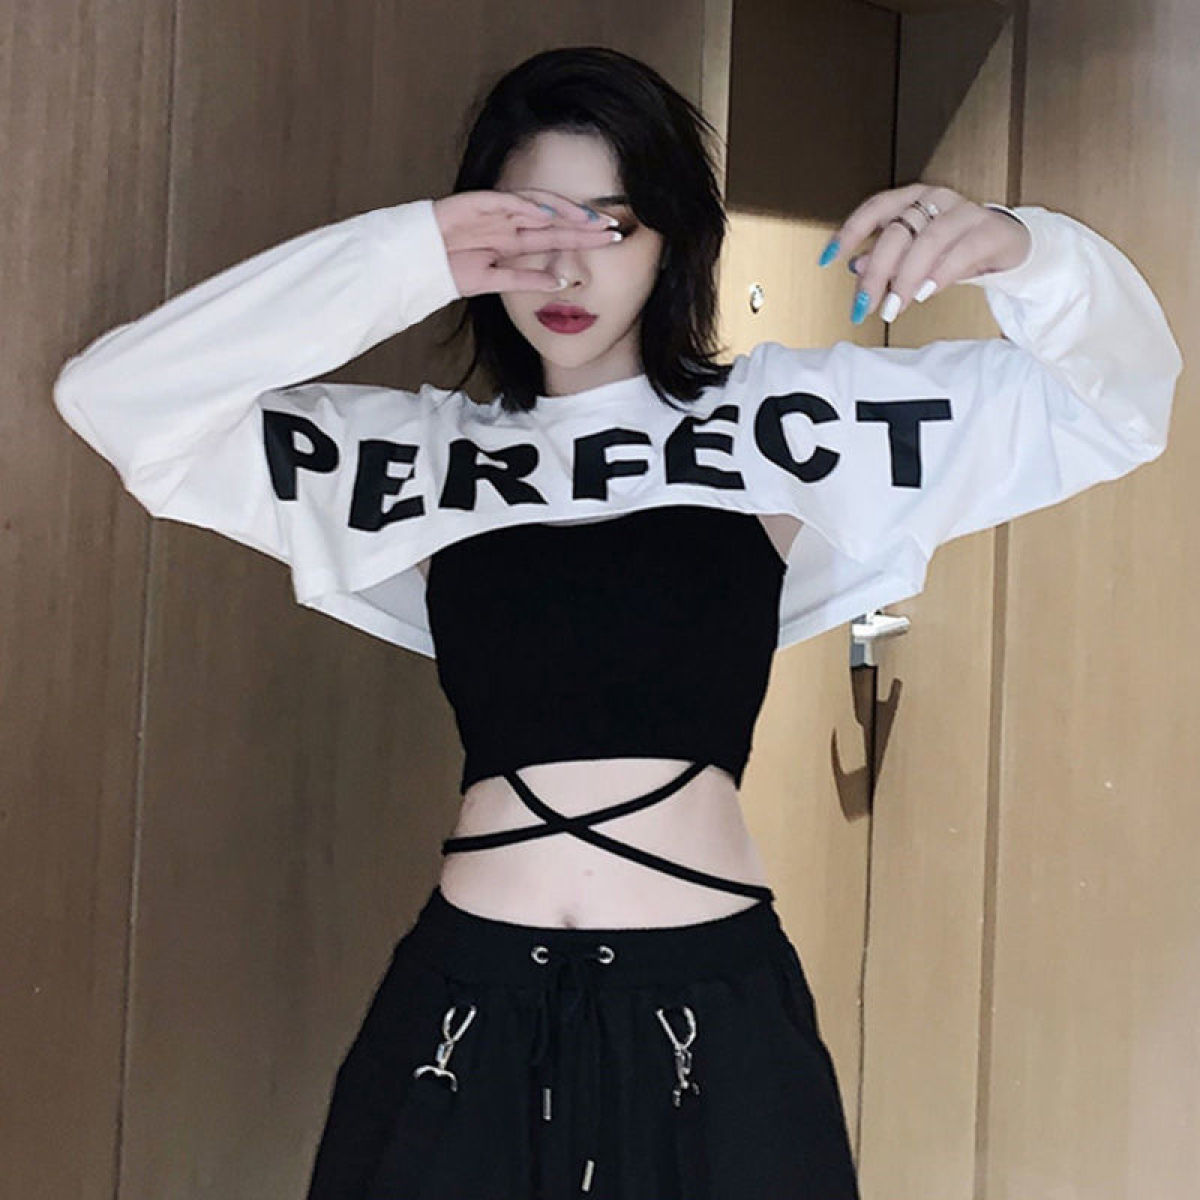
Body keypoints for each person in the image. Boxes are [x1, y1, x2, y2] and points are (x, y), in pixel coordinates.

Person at [52, 43, 1182, 1200]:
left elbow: (1114, 408)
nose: (565, 267)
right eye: (524, 227)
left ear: (673, 238)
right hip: (463, 1013)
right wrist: (404, 254)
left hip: (713, 1018)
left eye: (611, 225)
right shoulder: (421, 455)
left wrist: (1025, 249)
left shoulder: (784, 423)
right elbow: (119, 404)